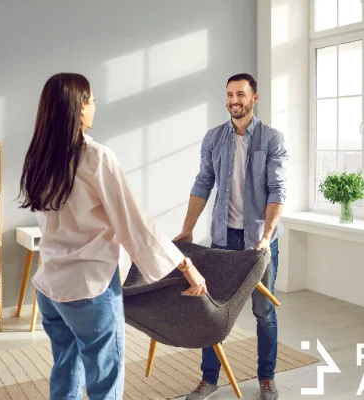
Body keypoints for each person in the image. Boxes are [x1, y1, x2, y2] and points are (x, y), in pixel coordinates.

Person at [18, 72, 207, 400]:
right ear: (79, 108)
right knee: (105, 384)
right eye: (90, 99)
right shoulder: (96, 157)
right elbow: (134, 222)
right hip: (89, 288)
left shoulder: (38, 158)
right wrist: (185, 265)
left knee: (66, 372)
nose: (95, 105)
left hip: (49, 287)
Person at [175, 73, 288, 400]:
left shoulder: (272, 140)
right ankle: (209, 378)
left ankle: (266, 377)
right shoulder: (213, 138)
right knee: (212, 309)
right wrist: (187, 227)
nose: (233, 100)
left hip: (259, 244)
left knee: (263, 311)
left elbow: (278, 190)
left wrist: (266, 235)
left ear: (254, 98)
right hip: (223, 240)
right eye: (229, 95)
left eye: (240, 94)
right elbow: (202, 183)